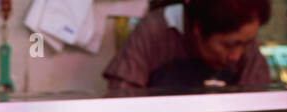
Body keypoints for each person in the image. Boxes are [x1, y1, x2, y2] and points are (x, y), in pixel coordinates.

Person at [104, 0, 271, 93]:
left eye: (247, 43)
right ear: (198, 28)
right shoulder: (153, 31)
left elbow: (260, 101)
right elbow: (121, 99)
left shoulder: (243, 47)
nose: (236, 56)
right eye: (228, 45)